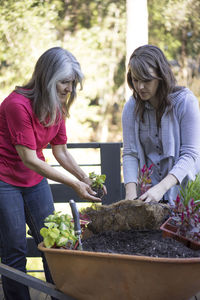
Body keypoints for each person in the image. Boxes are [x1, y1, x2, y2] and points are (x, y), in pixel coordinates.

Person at [0, 47, 104, 300]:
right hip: (4, 181)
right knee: (14, 248)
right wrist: (73, 185)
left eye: (73, 82)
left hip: (33, 180)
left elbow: (61, 151)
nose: (69, 88)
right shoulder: (17, 105)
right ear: (47, 77)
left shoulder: (56, 105)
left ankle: (58, 296)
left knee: (52, 243)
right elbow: (30, 158)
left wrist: (85, 178)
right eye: (64, 81)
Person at [122, 44, 200, 205]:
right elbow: (130, 153)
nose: (140, 87)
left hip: (186, 197)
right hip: (150, 197)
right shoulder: (131, 107)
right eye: (136, 80)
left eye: (147, 80)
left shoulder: (185, 102)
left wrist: (161, 188)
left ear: (161, 76)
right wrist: (130, 196)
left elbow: (190, 154)